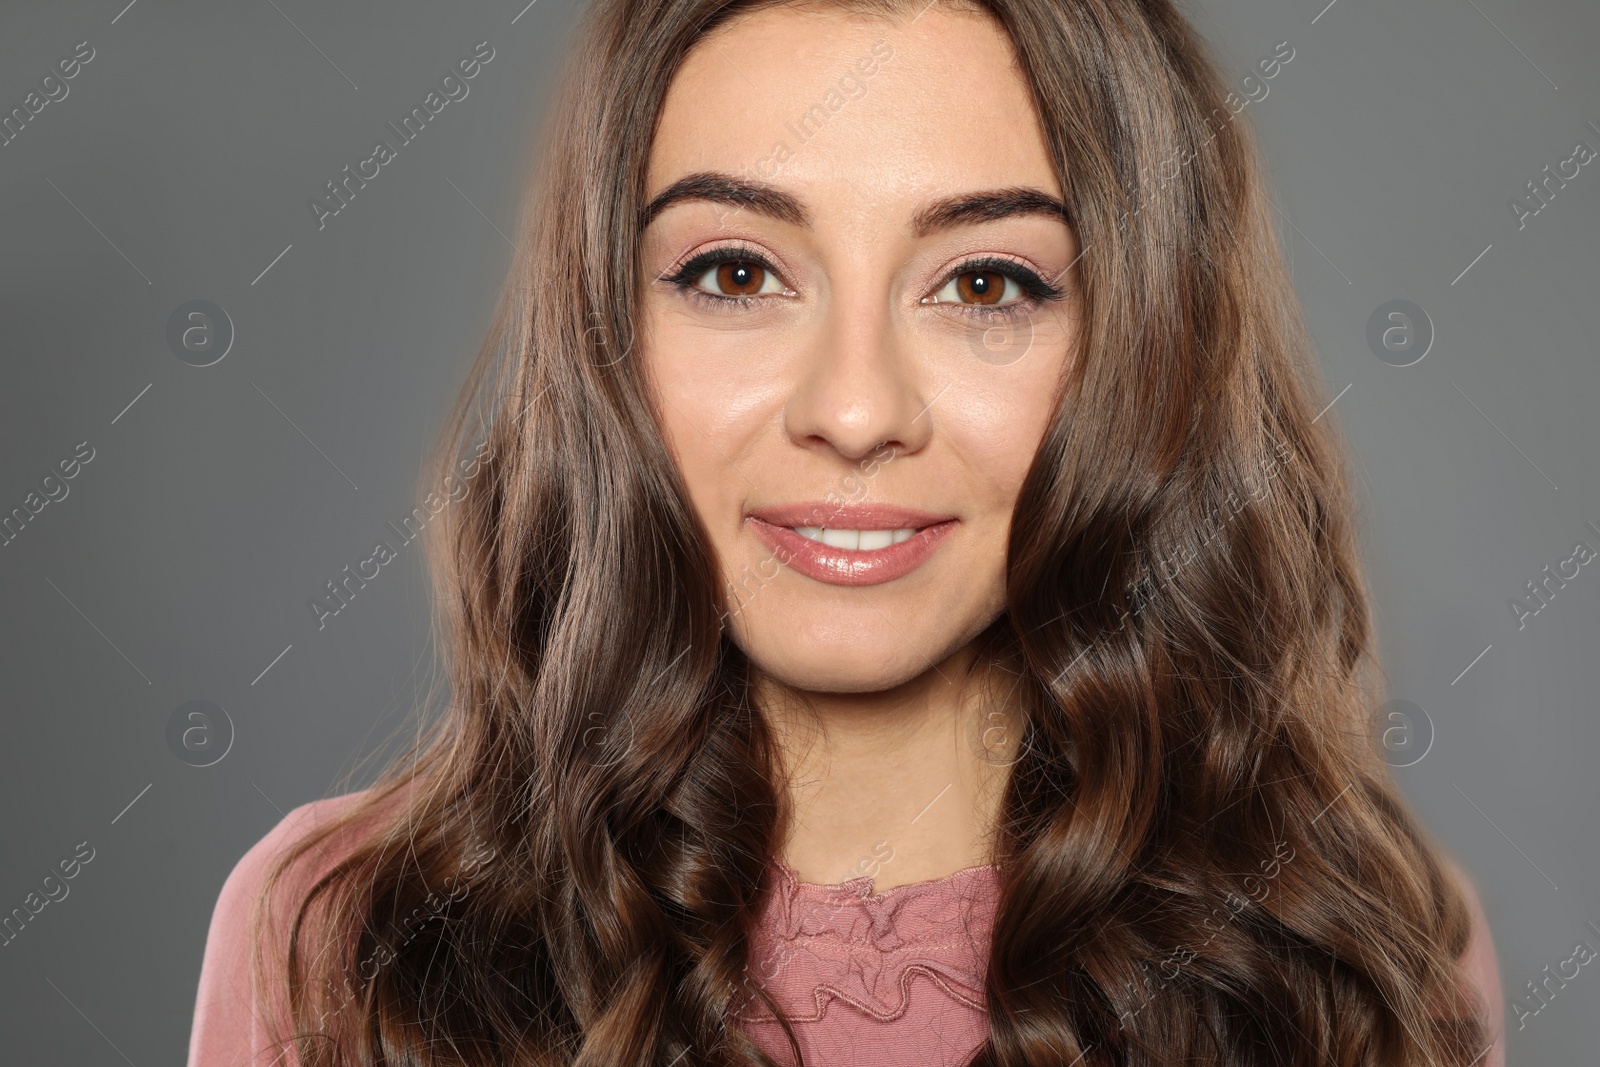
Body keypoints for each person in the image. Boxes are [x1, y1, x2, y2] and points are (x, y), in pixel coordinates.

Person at [187, 1, 1505, 1065]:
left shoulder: (1357, 952)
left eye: (986, 284)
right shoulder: (336, 938)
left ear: (1136, 355)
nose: (857, 409)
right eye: (737, 274)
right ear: (608, 339)